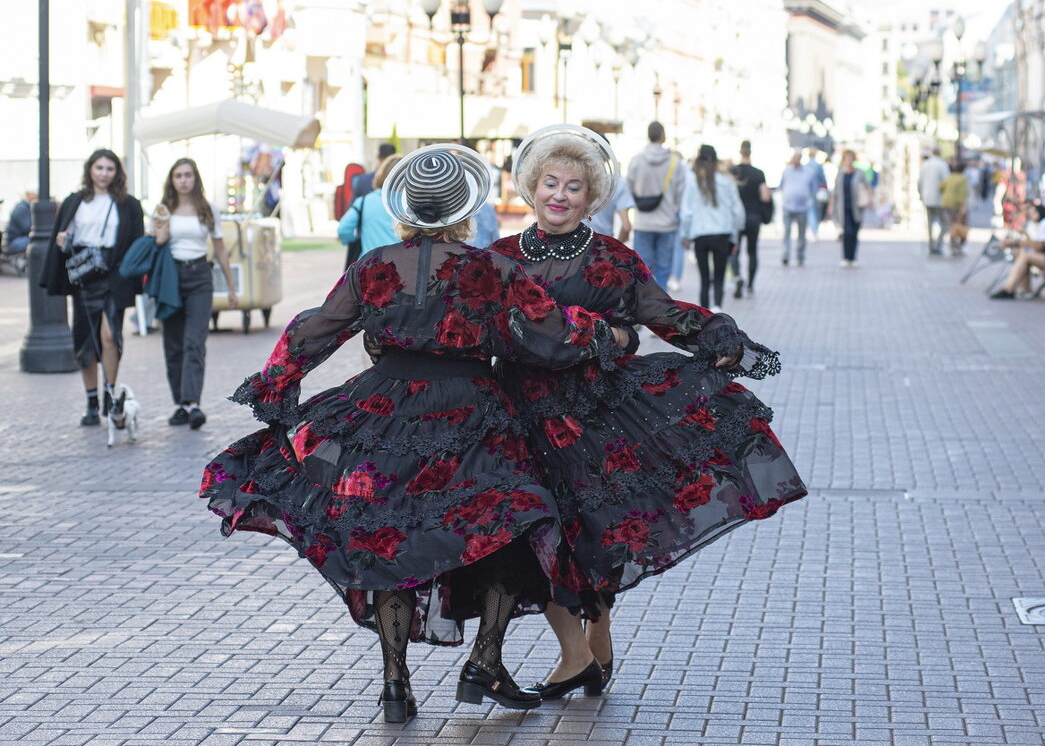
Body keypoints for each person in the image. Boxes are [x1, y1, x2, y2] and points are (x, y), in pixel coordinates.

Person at [199, 144, 633, 723]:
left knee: (389, 536)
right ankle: (484, 659)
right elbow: (553, 329)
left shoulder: (375, 265)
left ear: (406, 207)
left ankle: (395, 683)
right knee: (515, 520)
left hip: (385, 408)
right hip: (474, 412)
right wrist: (610, 338)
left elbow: (314, 329)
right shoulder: (491, 268)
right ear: (462, 211)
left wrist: (278, 382)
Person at [489, 124, 806, 699]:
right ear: (532, 188)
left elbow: (663, 313)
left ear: (593, 197)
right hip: (517, 414)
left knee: (591, 531)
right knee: (531, 532)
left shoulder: (612, 259)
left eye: (574, 187)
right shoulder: (498, 259)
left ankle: (598, 627)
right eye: (550, 184)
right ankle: (575, 653)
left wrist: (723, 341)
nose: (559, 196)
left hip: (591, 415)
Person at [40, 149, 145, 426]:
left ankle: (110, 395)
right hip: (85, 275)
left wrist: (127, 273)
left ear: (117, 173)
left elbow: (135, 240)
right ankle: (91, 400)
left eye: (109, 169)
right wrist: (63, 240)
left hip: (114, 273)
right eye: (99, 168)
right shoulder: (75, 201)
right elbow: (63, 236)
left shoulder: (129, 204)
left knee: (111, 336)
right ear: (90, 169)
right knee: (85, 342)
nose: (104, 174)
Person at [151, 159, 239, 429]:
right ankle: (180, 403)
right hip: (171, 278)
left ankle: (193, 404)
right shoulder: (164, 209)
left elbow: (220, 248)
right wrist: (160, 234)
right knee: (173, 343)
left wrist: (231, 287)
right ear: (172, 179)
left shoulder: (207, 209)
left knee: (195, 342)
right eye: (178, 175)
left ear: (195, 178)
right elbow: (154, 242)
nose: (183, 180)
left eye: (188, 175)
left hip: (200, 276)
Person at [679, 145, 745, 311]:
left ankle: (705, 312)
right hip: (722, 234)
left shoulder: (693, 181)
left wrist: (685, 236)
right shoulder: (727, 181)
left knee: (704, 278)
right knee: (719, 276)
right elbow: (737, 211)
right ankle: (717, 306)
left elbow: (686, 212)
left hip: (700, 235)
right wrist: (735, 237)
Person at [626, 121, 686, 289]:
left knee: (643, 271)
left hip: (643, 223)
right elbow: (681, 193)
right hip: (667, 223)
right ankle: (661, 309)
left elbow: (628, 188)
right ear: (663, 136)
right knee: (663, 271)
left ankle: (645, 308)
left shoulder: (636, 160)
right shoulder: (675, 163)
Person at [990, 202, 1045, 299]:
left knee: (1025, 255)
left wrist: (1016, 242)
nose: (1031, 214)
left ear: (1041, 212)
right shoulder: (1043, 224)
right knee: (1021, 253)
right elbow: (1035, 245)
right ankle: (1025, 290)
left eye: (1034, 212)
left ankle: (1008, 289)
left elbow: (1038, 247)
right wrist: (1020, 240)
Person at [338, 154, 403, 267]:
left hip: (369, 267)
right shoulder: (411, 204)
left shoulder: (363, 201)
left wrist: (356, 239)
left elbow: (343, 229)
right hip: (402, 266)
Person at [729, 140, 771, 298]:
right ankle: (751, 285)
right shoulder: (758, 173)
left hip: (736, 219)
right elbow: (765, 197)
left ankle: (738, 277)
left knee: (734, 251)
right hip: (754, 217)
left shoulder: (733, 172)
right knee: (752, 251)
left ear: (740, 152)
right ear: (751, 152)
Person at [827, 149, 871, 267]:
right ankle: (846, 257)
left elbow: (867, 187)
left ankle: (853, 257)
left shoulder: (859, 173)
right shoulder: (840, 173)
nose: (849, 160)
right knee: (847, 232)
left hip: (856, 208)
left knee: (854, 233)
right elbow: (835, 191)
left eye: (851, 158)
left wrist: (870, 201)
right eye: (847, 158)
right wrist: (831, 207)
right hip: (843, 208)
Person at [778, 149, 821, 266]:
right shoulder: (787, 171)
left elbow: (814, 187)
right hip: (788, 206)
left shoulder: (808, 172)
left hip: (802, 207)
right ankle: (785, 254)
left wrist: (809, 198)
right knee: (787, 232)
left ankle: (800, 255)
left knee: (801, 233)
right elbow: (781, 186)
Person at [919, 147, 950, 255]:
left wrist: (921, 195)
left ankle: (932, 244)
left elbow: (919, 182)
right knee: (945, 223)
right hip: (939, 199)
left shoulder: (925, 165)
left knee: (930, 222)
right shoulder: (942, 165)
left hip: (927, 197)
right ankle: (937, 243)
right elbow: (946, 183)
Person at [939, 162, 970, 257]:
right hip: (956, 205)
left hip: (945, 203)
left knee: (952, 226)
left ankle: (953, 247)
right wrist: (963, 206)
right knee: (961, 225)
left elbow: (940, 187)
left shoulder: (950, 177)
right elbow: (963, 193)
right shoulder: (963, 178)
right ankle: (957, 247)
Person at [805, 148, 828, 237]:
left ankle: (813, 230)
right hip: (817, 190)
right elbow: (823, 179)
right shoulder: (818, 166)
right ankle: (815, 230)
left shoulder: (806, 166)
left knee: (811, 210)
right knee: (816, 210)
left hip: (809, 191)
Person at [4, 190, 35, 255]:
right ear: (30, 195)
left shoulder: (24, 206)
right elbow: (27, 227)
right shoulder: (22, 207)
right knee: (37, 241)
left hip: (18, 239)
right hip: (15, 241)